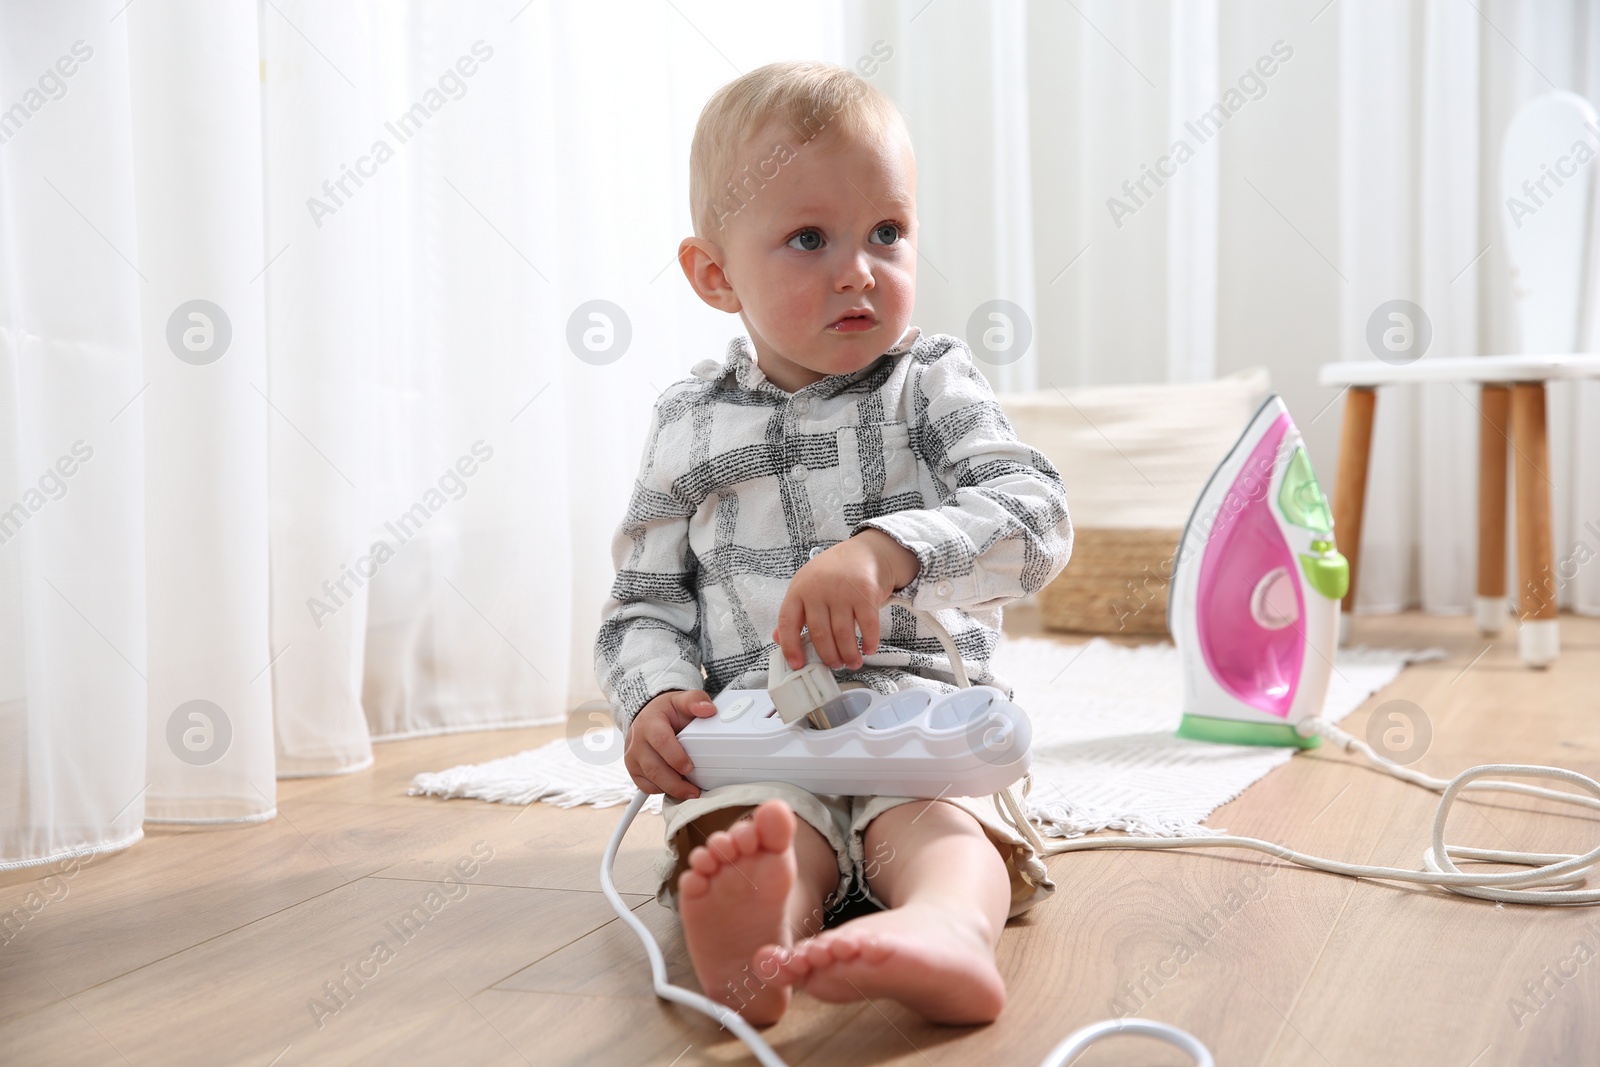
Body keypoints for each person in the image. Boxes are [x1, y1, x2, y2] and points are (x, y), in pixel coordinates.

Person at [595, 59, 1072, 1027]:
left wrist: (890, 548)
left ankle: (943, 929)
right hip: (756, 723)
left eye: (885, 233)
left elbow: (1036, 516)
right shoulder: (687, 422)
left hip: (917, 714)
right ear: (714, 274)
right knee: (751, 823)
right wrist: (649, 696)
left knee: (935, 827)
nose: (858, 269)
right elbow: (644, 600)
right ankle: (761, 927)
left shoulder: (930, 380)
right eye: (809, 238)